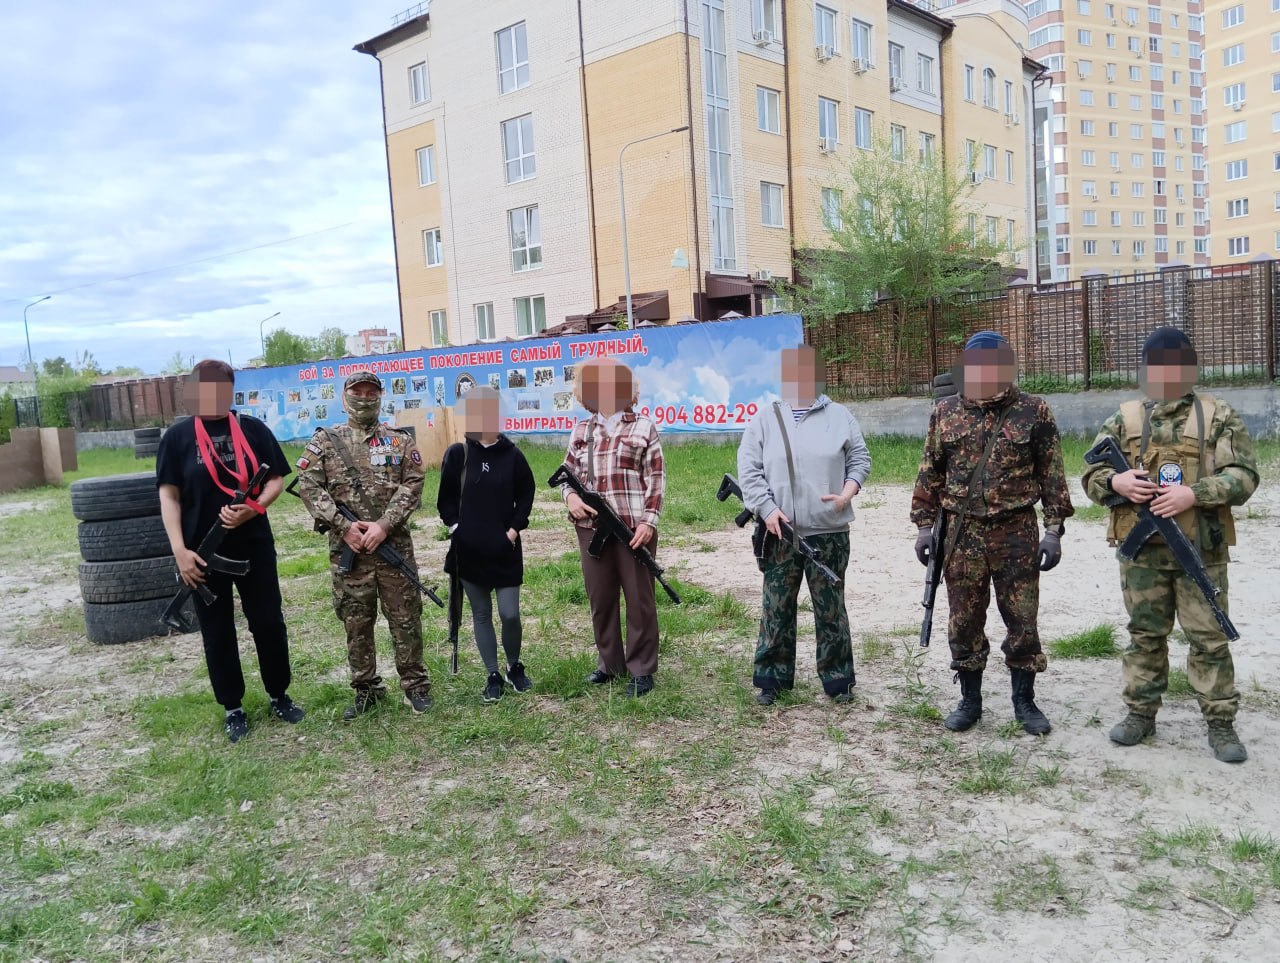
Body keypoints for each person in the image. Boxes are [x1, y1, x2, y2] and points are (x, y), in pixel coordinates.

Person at [1081, 327, 1259, 763]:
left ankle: (1220, 723)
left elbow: (1244, 476)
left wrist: (1193, 494)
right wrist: (1118, 482)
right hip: (1143, 553)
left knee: (1210, 638)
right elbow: (1091, 476)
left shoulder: (1218, 416)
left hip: (1201, 549)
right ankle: (1140, 714)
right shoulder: (1125, 419)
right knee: (1144, 635)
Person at [910, 331, 1074, 735]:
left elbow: (1052, 474)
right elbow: (930, 471)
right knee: (964, 619)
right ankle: (970, 700)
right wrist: (924, 527)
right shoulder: (945, 411)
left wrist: (1053, 531)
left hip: (1016, 531)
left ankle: (1025, 701)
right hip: (961, 534)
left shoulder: (1033, 410)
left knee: (1023, 619)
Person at [156, 359, 304, 743]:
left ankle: (279, 694)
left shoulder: (252, 429)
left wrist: (255, 508)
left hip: (254, 545)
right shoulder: (177, 438)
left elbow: (275, 479)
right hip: (201, 553)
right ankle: (232, 707)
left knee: (268, 623)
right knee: (217, 631)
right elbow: (169, 496)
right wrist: (179, 551)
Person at [737, 345, 871, 706]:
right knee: (776, 606)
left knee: (831, 608)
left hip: (829, 531)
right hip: (778, 532)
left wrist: (846, 494)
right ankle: (772, 678)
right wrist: (766, 509)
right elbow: (748, 470)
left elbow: (860, 460)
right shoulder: (764, 419)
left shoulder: (840, 416)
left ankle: (838, 678)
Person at [296, 370, 433, 719]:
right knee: (356, 621)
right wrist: (344, 527)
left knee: (405, 618)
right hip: (350, 552)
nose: (365, 398)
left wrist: (383, 526)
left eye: (372, 392)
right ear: (345, 397)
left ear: (380, 397)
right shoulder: (325, 442)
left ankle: (415, 685)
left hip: (393, 548)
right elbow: (308, 484)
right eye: (358, 392)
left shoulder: (399, 442)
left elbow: (413, 483)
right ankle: (366, 689)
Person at [559, 357, 664, 698]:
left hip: (633, 529)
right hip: (591, 528)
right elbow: (566, 476)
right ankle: (610, 664)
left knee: (639, 599)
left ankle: (641, 669)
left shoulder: (643, 427)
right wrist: (571, 499)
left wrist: (649, 522)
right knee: (601, 599)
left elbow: (656, 479)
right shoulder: (582, 431)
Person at [437, 387, 536, 702]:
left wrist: (514, 530)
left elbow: (527, 493)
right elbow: (445, 501)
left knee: (509, 613)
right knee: (481, 614)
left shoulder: (513, 455)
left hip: (505, 550)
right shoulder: (458, 454)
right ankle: (492, 674)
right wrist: (457, 529)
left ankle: (514, 666)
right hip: (469, 553)